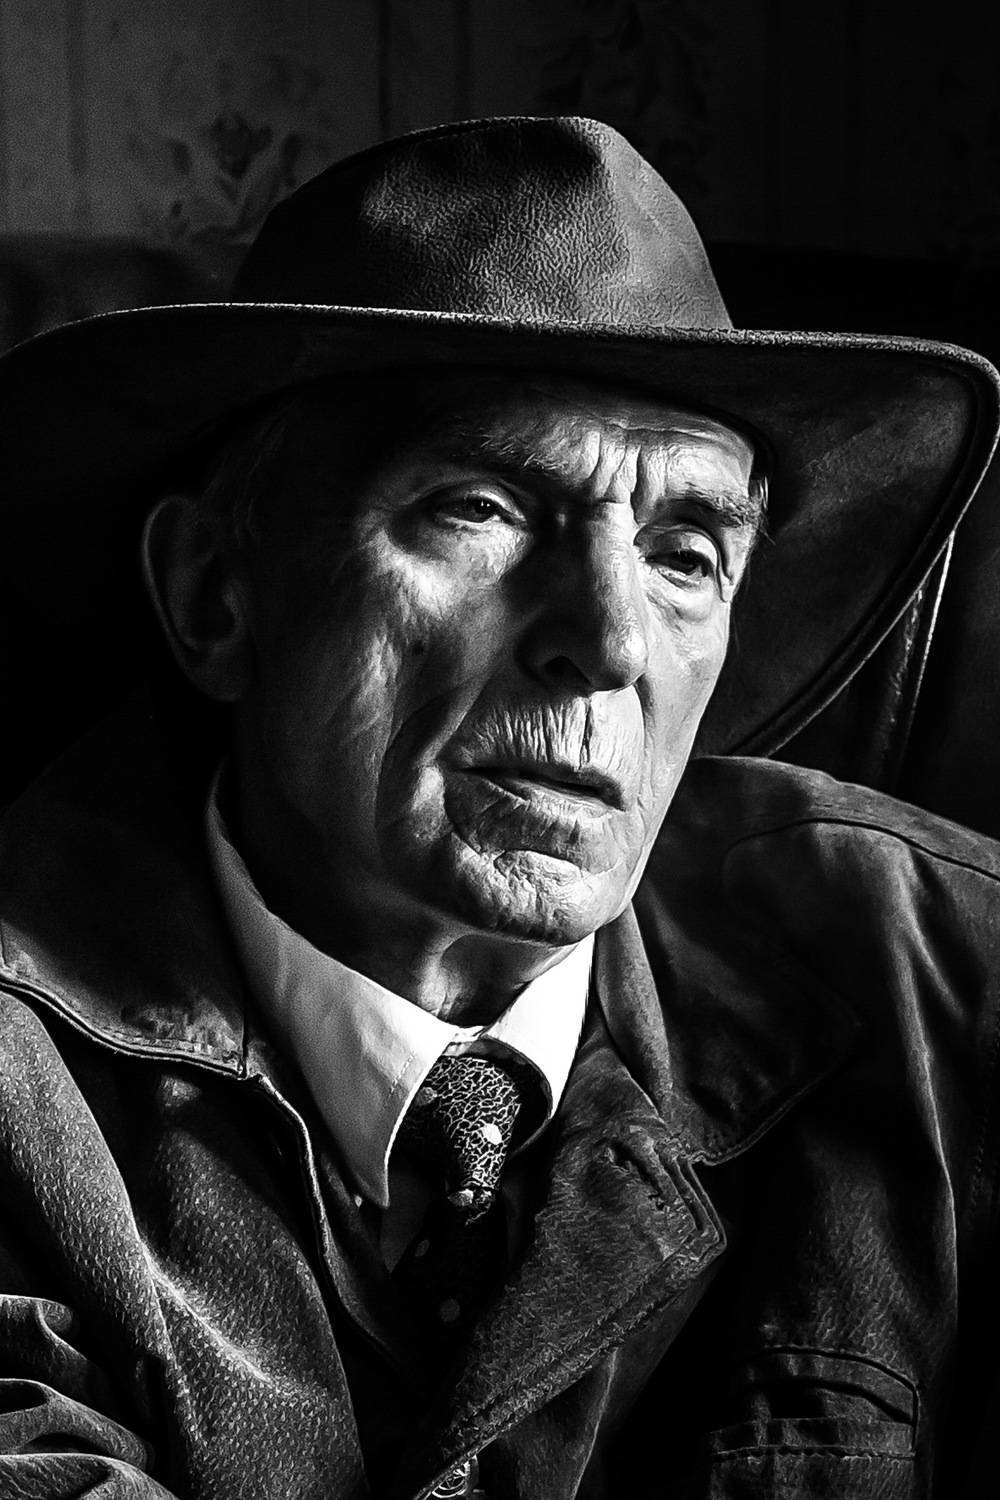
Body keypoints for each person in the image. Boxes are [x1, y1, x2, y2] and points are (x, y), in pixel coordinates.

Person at [0, 115, 998, 1500]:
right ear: (217, 595)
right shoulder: (21, 1074)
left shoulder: (943, 975)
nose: (612, 641)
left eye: (685, 554)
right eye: (480, 508)